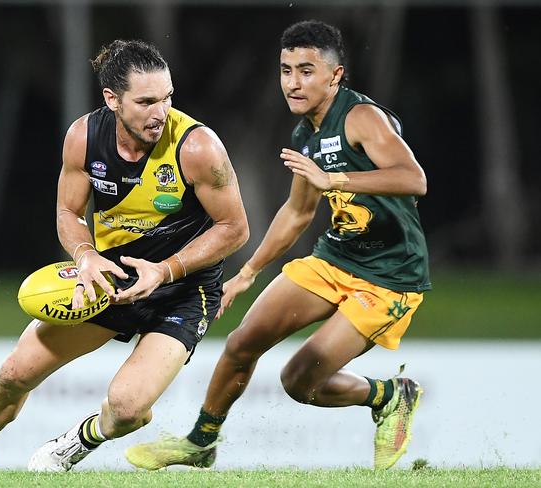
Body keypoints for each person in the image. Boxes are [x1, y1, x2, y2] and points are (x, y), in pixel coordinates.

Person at [0, 39, 249, 472]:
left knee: (129, 409)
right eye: (146, 101)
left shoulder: (197, 147)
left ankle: (78, 440)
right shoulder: (84, 137)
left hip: (185, 290)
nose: (161, 112)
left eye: (167, 97)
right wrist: (84, 254)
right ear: (112, 99)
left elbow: (235, 228)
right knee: (15, 373)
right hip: (108, 280)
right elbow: (67, 212)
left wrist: (166, 270)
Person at [125, 20, 431, 471]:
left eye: (306, 70)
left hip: (390, 277)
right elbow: (298, 212)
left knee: (299, 382)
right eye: (286, 70)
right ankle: (201, 442)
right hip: (335, 258)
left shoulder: (362, 118)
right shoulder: (305, 134)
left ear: (336, 75)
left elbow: (414, 179)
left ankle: (390, 395)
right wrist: (248, 272)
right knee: (244, 341)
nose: (293, 82)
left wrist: (335, 179)